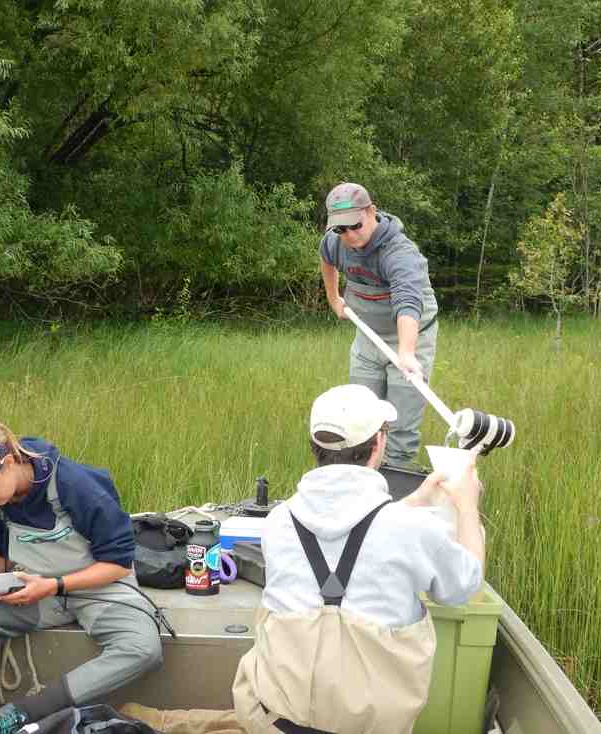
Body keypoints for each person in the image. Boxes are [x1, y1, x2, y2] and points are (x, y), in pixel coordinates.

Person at [232, 384, 485, 734]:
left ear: (314, 447)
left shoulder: (277, 523)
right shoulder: (411, 529)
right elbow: (463, 587)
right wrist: (468, 507)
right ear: (379, 444)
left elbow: (354, 533)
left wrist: (414, 501)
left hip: (275, 720)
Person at [0, 423, 163, 734]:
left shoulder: (74, 483)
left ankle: (15, 716)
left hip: (101, 588)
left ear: (10, 462)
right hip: (35, 592)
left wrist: (55, 585)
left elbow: (119, 564)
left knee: (143, 648)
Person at [319, 182, 439, 468]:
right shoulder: (335, 242)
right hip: (367, 337)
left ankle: (395, 492)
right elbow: (327, 260)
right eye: (341, 229)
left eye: (355, 225)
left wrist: (407, 353)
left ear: (371, 211)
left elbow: (408, 301)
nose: (349, 235)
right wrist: (334, 299)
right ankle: (361, 490)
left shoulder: (399, 253)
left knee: (400, 430)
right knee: (359, 421)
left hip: (410, 339)